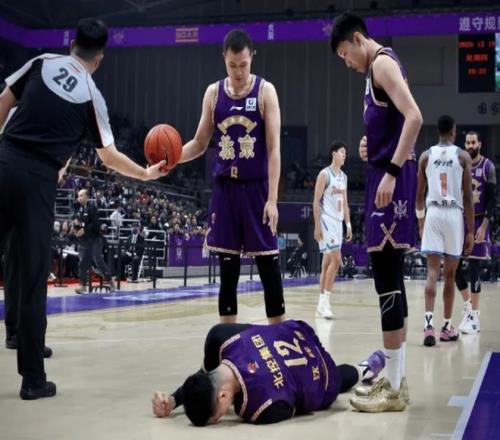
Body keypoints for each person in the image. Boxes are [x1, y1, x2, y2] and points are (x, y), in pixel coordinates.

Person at [0, 18, 166, 400]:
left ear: (71, 42)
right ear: (100, 58)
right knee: (33, 278)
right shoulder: (92, 96)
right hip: (39, 180)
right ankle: (32, 379)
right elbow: (109, 157)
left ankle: (20, 346)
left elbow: (4, 102)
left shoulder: (42, 62)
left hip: (5, 159)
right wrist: (145, 173)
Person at [330, 12, 422, 411]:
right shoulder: (374, 72)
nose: (346, 63)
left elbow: (415, 116)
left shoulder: (382, 63)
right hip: (383, 174)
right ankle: (396, 380)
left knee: (386, 278)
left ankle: (395, 389)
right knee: (391, 277)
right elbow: (394, 123)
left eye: (344, 54)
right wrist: (369, 147)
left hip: (391, 181)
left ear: (357, 39)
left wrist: (391, 171)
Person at [178, 29, 285, 324]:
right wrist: (172, 158)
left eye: (243, 65)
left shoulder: (265, 91)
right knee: (228, 274)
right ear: (224, 59)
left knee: (269, 269)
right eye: (232, 65)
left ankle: (278, 336)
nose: (238, 72)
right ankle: (228, 339)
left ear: (252, 58)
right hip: (225, 190)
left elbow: (274, 149)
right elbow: (199, 143)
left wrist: (273, 199)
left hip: (257, 190)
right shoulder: (213, 93)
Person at [151, 320, 386, 425]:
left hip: (320, 374)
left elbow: (296, 407)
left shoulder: (257, 409)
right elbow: (206, 377)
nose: (224, 415)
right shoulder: (220, 338)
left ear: (223, 397)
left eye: (218, 416)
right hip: (298, 332)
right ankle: (365, 367)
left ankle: (364, 367)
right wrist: (173, 400)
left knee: (333, 382)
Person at [416, 115, 474, 347]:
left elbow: (418, 196)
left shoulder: (425, 156)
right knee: (450, 275)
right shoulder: (462, 156)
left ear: (438, 132)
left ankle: (428, 325)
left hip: (433, 213)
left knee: (432, 272)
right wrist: (470, 231)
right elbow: (468, 199)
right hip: (453, 215)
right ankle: (447, 327)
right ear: (453, 131)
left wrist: (421, 223)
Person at [455, 131, 496, 334]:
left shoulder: (488, 167)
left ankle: (475, 318)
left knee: (474, 269)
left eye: (473, 142)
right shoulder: (460, 165)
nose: (470, 145)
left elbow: (492, 200)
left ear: (479, 143)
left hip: (478, 221)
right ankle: (469, 308)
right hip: (460, 220)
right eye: (468, 143)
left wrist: (484, 226)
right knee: (453, 269)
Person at [313, 140, 352, 319]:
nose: (344, 155)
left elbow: (345, 203)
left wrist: (348, 224)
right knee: (337, 261)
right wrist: (316, 226)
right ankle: (326, 303)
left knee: (327, 263)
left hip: (338, 223)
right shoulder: (324, 174)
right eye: (342, 152)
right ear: (334, 154)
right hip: (326, 220)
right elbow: (316, 201)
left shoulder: (344, 177)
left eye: (345, 153)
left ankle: (320, 306)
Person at [74, 189, 114, 293]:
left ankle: (110, 281)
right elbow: (78, 223)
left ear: (87, 197)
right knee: (82, 263)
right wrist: (76, 228)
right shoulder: (78, 209)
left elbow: (95, 224)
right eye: (78, 196)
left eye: (81, 195)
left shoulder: (92, 208)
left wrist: (84, 230)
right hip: (84, 240)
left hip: (95, 239)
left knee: (98, 260)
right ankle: (83, 286)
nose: (79, 198)